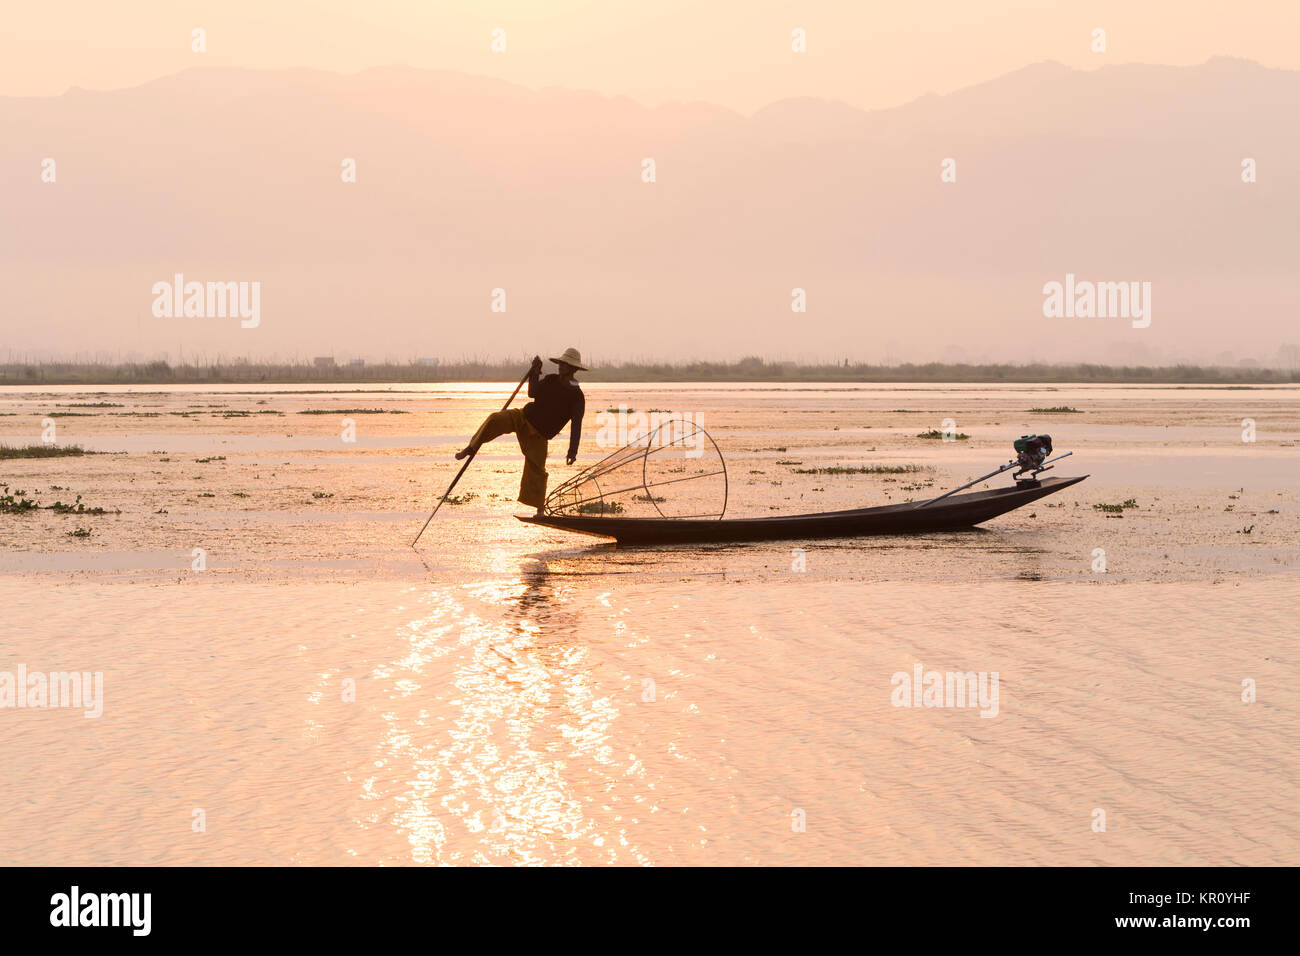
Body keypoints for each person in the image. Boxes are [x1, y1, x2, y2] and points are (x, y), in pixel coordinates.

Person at [455, 348, 587, 515]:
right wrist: (535, 372)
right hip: (523, 418)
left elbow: (577, 425)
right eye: (561, 363)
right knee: (495, 419)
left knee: (537, 471)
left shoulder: (577, 396)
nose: (560, 366)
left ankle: (540, 510)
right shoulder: (551, 380)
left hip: (539, 435)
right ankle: (471, 447)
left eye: (565, 365)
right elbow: (532, 392)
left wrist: (572, 451)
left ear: (573, 369)